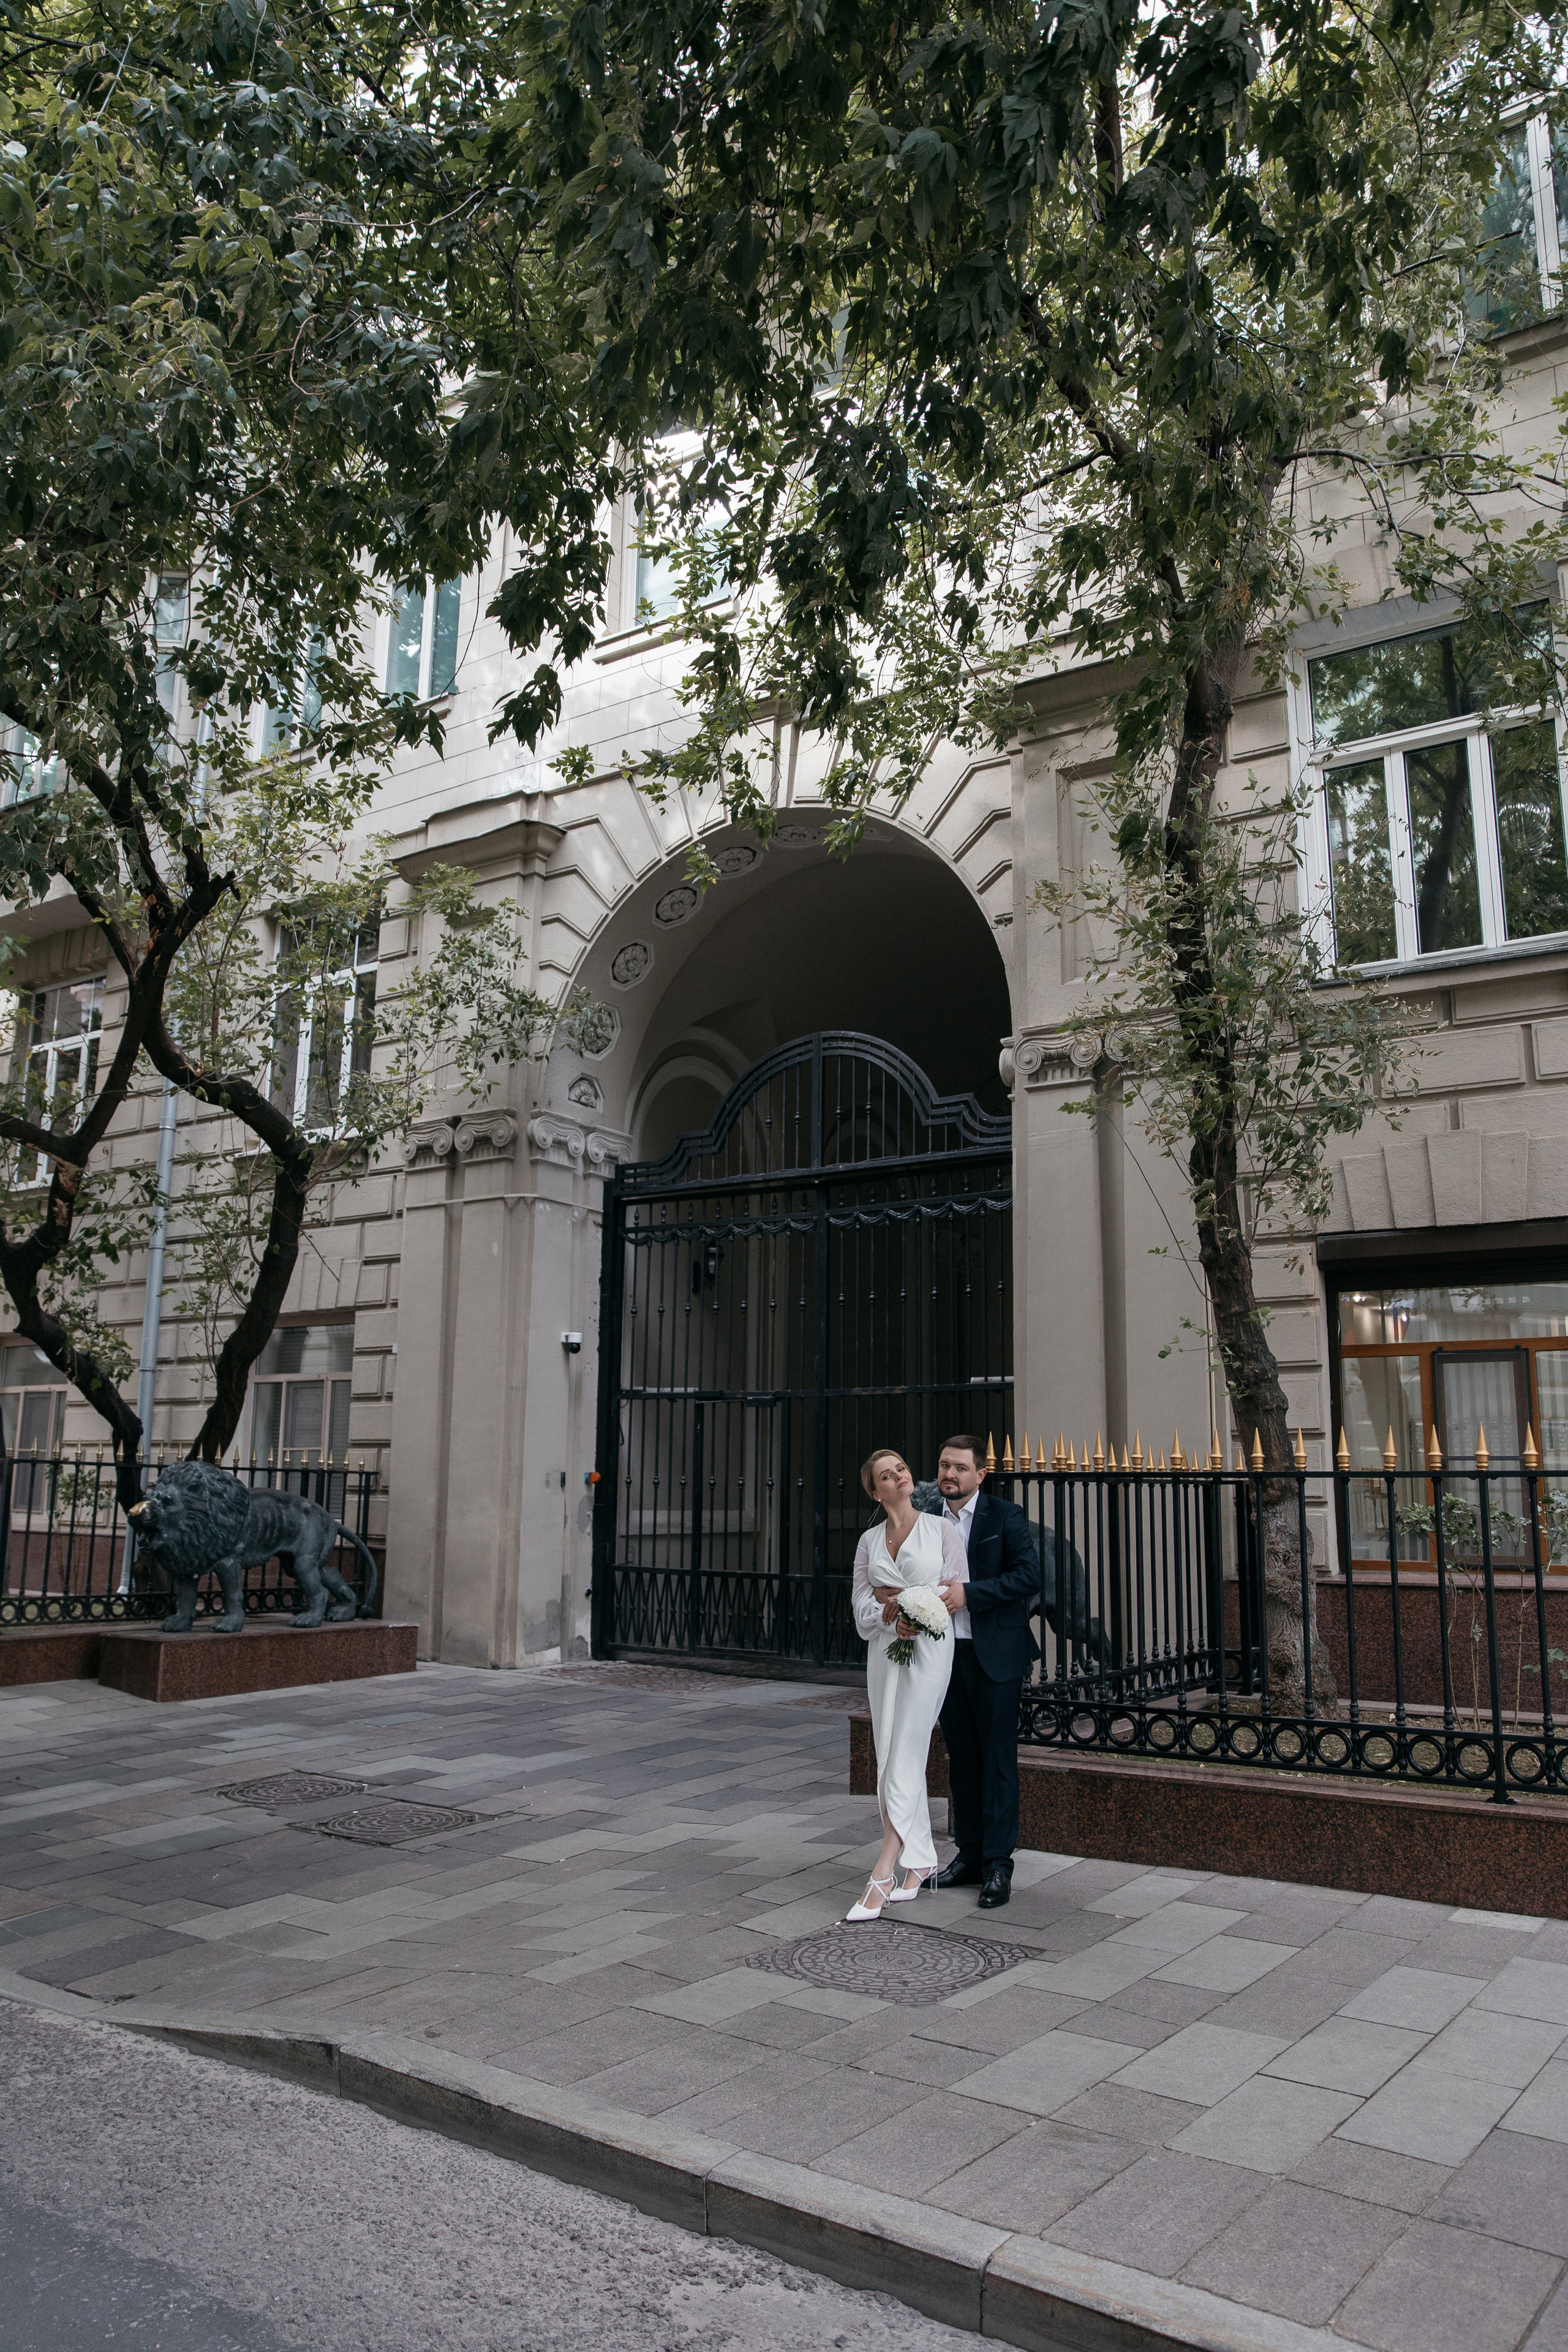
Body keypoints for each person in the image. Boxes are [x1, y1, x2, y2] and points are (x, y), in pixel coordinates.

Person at [846, 1448, 965, 1921]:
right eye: (885, 1475)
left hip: (931, 1650)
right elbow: (860, 1611)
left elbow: (953, 1593)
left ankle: (884, 1869)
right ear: (875, 1491)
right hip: (885, 1652)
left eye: (901, 1468)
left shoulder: (942, 1530)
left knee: (908, 1751)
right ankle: (921, 1862)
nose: (898, 1476)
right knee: (887, 1749)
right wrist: (885, 1615)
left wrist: (907, 1599)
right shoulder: (869, 1541)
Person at [925, 1434, 1041, 1909]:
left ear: (980, 1474)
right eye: (943, 1465)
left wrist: (970, 1594)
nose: (949, 1475)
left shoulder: (1005, 1517)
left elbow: (1029, 1577)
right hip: (947, 1657)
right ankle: (968, 1854)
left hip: (995, 1656)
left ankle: (999, 1865)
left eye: (959, 1468)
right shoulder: (928, 1521)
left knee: (997, 1763)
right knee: (963, 1759)